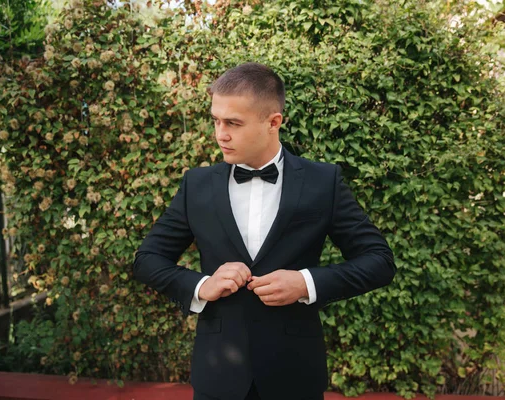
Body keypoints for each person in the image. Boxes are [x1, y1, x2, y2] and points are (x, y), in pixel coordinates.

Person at [133, 62, 396, 400]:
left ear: (274, 122)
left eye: (233, 123)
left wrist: (306, 282)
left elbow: (379, 260)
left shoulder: (323, 182)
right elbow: (147, 259)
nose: (219, 134)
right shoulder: (196, 185)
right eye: (215, 120)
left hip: (295, 375)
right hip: (218, 379)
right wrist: (202, 285)